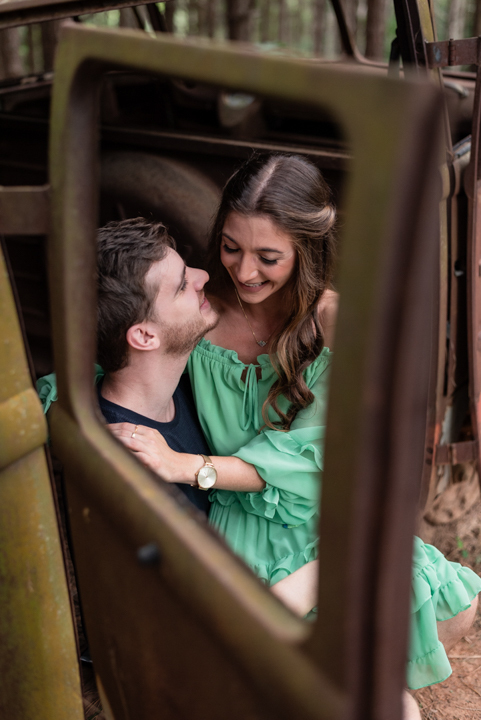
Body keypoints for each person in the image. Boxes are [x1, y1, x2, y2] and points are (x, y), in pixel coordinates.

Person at [107, 154, 481, 701]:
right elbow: (128, 354)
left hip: (316, 512)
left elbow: (313, 458)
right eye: (231, 247)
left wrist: (189, 466)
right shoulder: (201, 314)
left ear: (305, 250)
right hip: (243, 521)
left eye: (268, 257)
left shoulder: (335, 322)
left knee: (453, 606)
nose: (244, 272)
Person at [37, 216, 313, 605]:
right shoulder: (133, 468)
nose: (204, 277)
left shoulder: (182, 385)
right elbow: (211, 612)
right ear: (144, 335)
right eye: (182, 285)